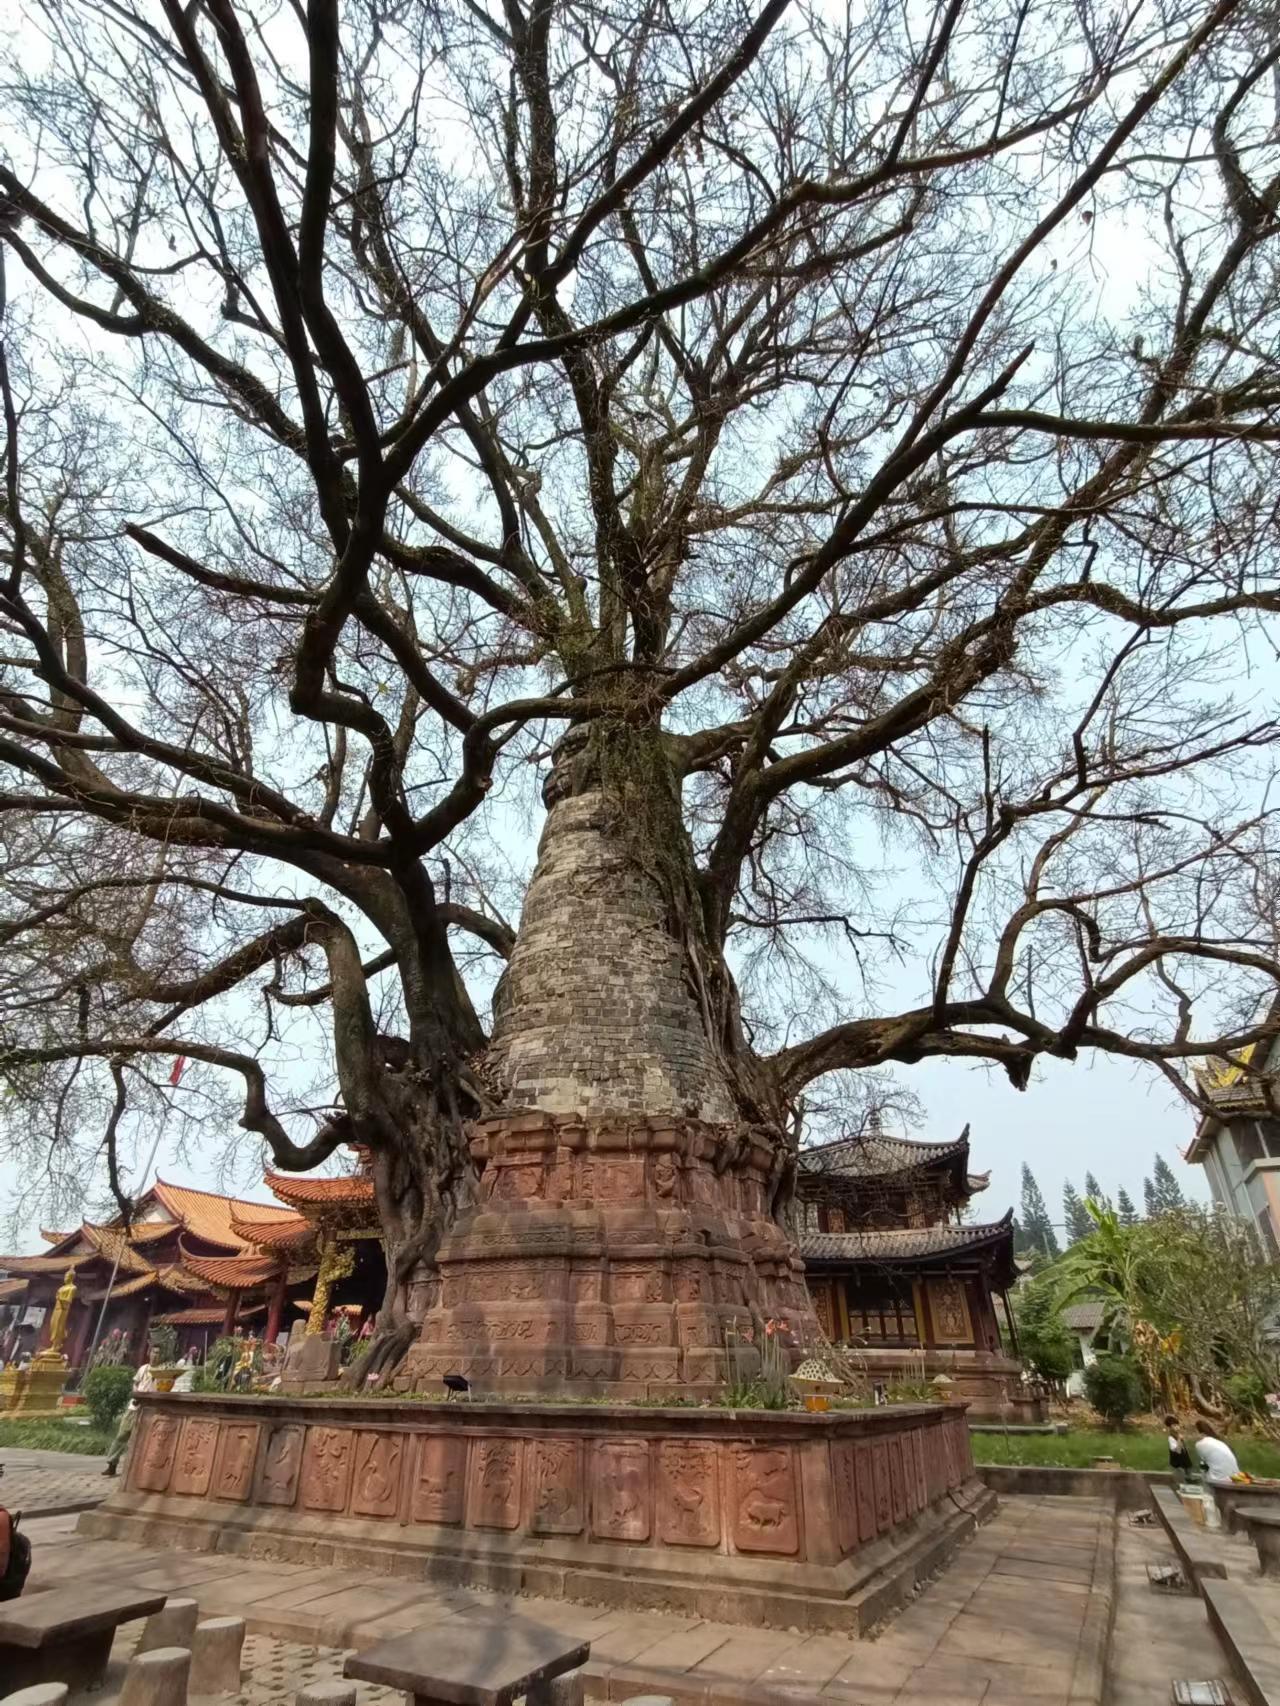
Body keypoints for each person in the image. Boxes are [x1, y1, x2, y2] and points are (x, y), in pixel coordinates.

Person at [102, 1351, 158, 1477]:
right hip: (134, 1407)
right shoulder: (144, 1368)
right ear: (149, 1354)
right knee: (122, 1435)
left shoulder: (162, 1372)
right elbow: (136, 1383)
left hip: (150, 1409)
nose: (155, 1355)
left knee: (145, 1439)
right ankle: (112, 1464)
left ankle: (141, 1469)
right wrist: (136, 1393)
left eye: (158, 1353)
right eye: (154, 1352)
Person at [1193, 1417, 1240, 1485]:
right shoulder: (1218, 1441)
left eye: (1195, 1432)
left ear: (1201, 1433)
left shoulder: (1199, 1444)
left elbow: (1203, 1465)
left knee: (1203, 1476)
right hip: (1235, 1476)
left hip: (1220, 1478)